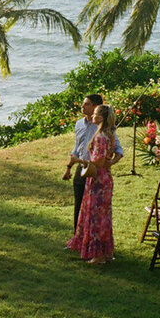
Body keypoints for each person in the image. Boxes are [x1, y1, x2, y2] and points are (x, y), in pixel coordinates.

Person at [62, 93, 123, 232]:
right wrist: (69, 167)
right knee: (80, 205)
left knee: (94, 207)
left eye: (87, 104)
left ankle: (91, 237)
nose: (82, 106)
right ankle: (78, 235)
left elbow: (118, 149)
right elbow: (77, 147)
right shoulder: (79, 124)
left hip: (96, 171)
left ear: (96, 107)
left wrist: (112, 161)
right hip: (82, 168)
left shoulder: (103, 127)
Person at [66, 104, 117, 265]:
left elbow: (99, 161)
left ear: (100, 118)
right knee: (103, 216)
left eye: (95, 113)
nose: (93, 116)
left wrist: (78, 160)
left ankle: (98, 255)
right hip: (103, 178)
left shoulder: (101, 136)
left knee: (96, 217)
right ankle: (105, 252)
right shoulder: (108, 134)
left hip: (98, 179)